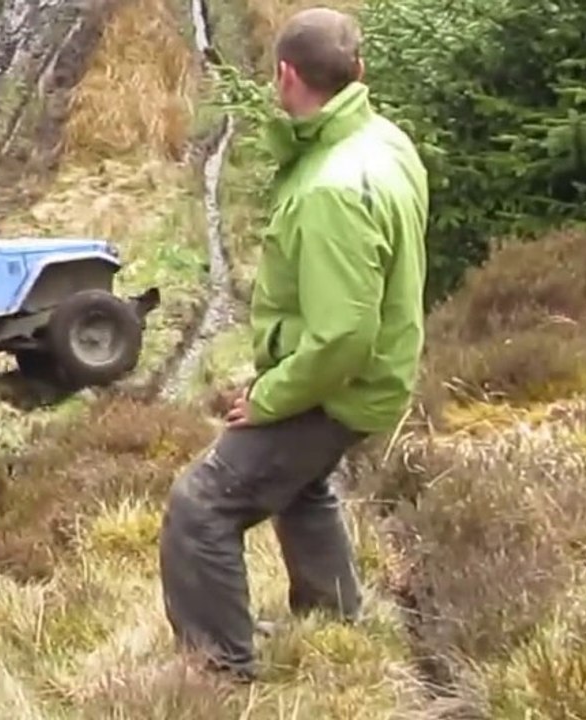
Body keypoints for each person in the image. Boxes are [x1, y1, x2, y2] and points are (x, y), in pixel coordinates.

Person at [157, 7, 429, 682]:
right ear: (356, 71)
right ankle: (333, 619)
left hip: (337, 384)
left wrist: (271, 396)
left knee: (201, 506)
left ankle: (217, 670)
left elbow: (341, 336)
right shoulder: (385, 141)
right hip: (368, 376)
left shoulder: (330, 189)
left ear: (284, 75)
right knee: (298, 480)